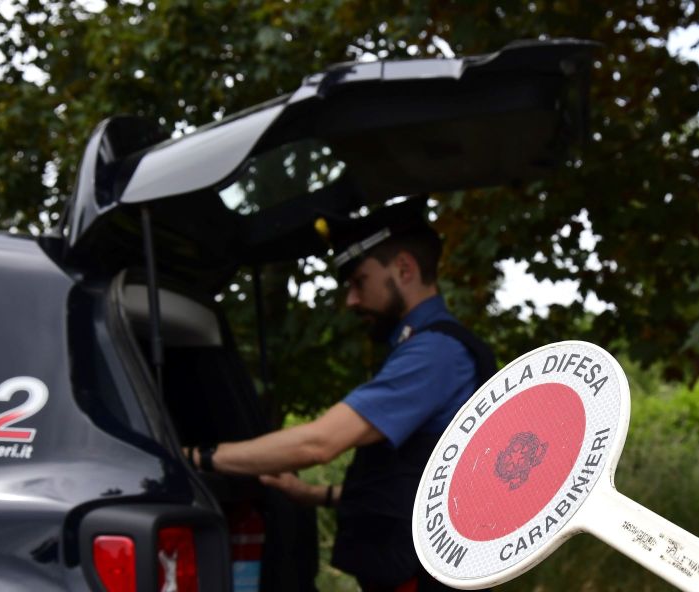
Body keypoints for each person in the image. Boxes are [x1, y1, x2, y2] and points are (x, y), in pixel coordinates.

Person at [189, 197, 496, 591]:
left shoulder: (435, 353)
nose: (350, 300)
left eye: (358, 282)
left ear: (403, 269)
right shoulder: (428, 347)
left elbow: (319, 443)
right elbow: (417, 484)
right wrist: (312, 494)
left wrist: (198, 456)